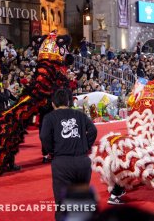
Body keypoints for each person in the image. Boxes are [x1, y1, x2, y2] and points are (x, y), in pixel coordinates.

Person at [40, 88, 97, 220]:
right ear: (69, 101)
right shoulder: (80, 115)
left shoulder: (50, 117)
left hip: (62, 163)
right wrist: (86, 146)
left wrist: (52, 151)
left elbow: (44, 137)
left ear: (53, 103)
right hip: (82, 161)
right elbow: (93, 130)